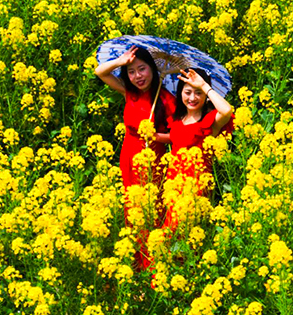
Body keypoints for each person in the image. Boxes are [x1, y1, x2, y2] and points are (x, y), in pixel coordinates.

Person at [94, 45, 175, 270]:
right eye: (132, 72)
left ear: (152, 69)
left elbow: (177, 135)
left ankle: (153, 265)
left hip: (153, 161)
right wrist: (121, 61)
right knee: (132, 210)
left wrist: (156, 136)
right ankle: (136, 265)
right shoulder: (129, 92)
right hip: (129, 157)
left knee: (151, 209)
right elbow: (100, 72)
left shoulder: (166, 98)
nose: (138, 76)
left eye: (142, 69)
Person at [161, 68, 234, 239]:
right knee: (170, 233)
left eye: (198, 93)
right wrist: (153, 136)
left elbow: (227, 110)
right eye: (187, 92)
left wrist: (204, 85)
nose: (192, 98)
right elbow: (175, 138)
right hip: (173, 183)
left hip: (196, 185)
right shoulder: (177, 119)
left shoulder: (210, 121)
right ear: (180, 93)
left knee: (187, 233)